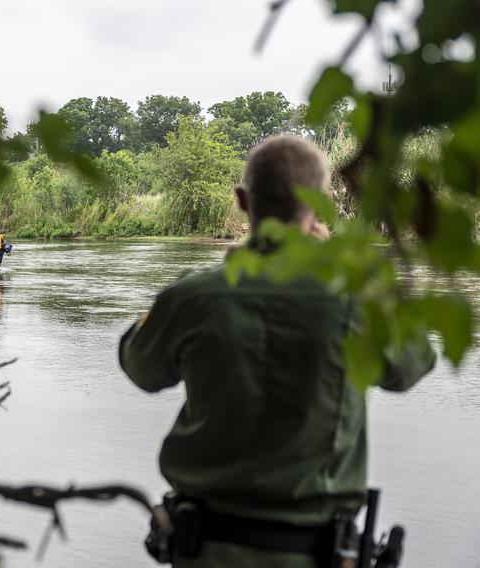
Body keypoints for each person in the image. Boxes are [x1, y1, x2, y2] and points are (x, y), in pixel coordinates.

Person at [119, 135, 435, 567]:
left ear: (242, 201)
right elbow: (413, 364)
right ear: (322, 204)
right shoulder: (360, 298)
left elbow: (139, 366)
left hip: (205, 549)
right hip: (315, 552)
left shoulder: (194, 297)